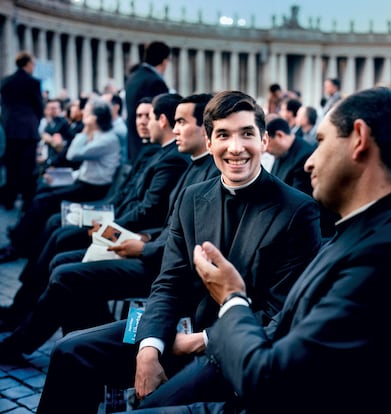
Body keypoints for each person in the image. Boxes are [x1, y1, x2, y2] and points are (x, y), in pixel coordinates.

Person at [129, 86, 391, 414]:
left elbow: (273, 374)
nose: (308, 162)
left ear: (359, 139)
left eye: (320, 141)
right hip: (221, 340)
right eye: (223, 135)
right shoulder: (362, 231)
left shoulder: (388, 251)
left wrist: (232, 298)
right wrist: (151, 346)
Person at [35, 90, 322, 414]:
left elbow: (282, 313)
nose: (236, 147)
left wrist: (203, 340)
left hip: (234, 348)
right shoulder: (192, 197)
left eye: (247, 134)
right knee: (70, 351)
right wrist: (149, 347)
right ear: (209, 141)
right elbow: (168, 282)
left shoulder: (299, 210)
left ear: (265, 140)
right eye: (224, 135)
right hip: (177, 327)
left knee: (152, 406)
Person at [0, 93, 220, 363]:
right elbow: (167, 223)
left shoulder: (189, 164)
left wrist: (143, 245)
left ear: (204, 127)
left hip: (160, 266)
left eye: (181, 122)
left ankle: (48, 343)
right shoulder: (189, 162)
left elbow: (181, 233)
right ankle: (79, 340)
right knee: (64, 261)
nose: (174, 129)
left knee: (67, 272)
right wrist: (142, 237)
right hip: (150, 248)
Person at [0, 97, 121, 263]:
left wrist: (85, 131)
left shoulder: (107, 139)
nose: (83, 113)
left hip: (93, 189)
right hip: (83, 182)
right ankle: (21, 241)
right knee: (42, 193)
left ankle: (18, 246)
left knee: (43, 201)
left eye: (87, 111)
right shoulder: (100, 135)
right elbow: (85, 168)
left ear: (95, 117)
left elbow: (73, 154)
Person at [0, 51, 44, 210]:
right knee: (27, 167)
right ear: (28, 64)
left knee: (11, 166)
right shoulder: (33, 83)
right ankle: (27, 201)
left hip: (10, 130)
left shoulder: (5, 82)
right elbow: (39, 107)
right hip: (28, 131)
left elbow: (4, 106)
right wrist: (35, 123)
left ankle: (9, 198)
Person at [125, 41, 170, 163]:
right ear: (164, 61)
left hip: (134, 143)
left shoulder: (133, 77)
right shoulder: (155, 82)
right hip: (151, 147)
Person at [266, 117, 314, 195]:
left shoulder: (304, 157)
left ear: (279, 135)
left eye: (267, 142)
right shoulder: (280, 152)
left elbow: (297, 199)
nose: (265, 149)